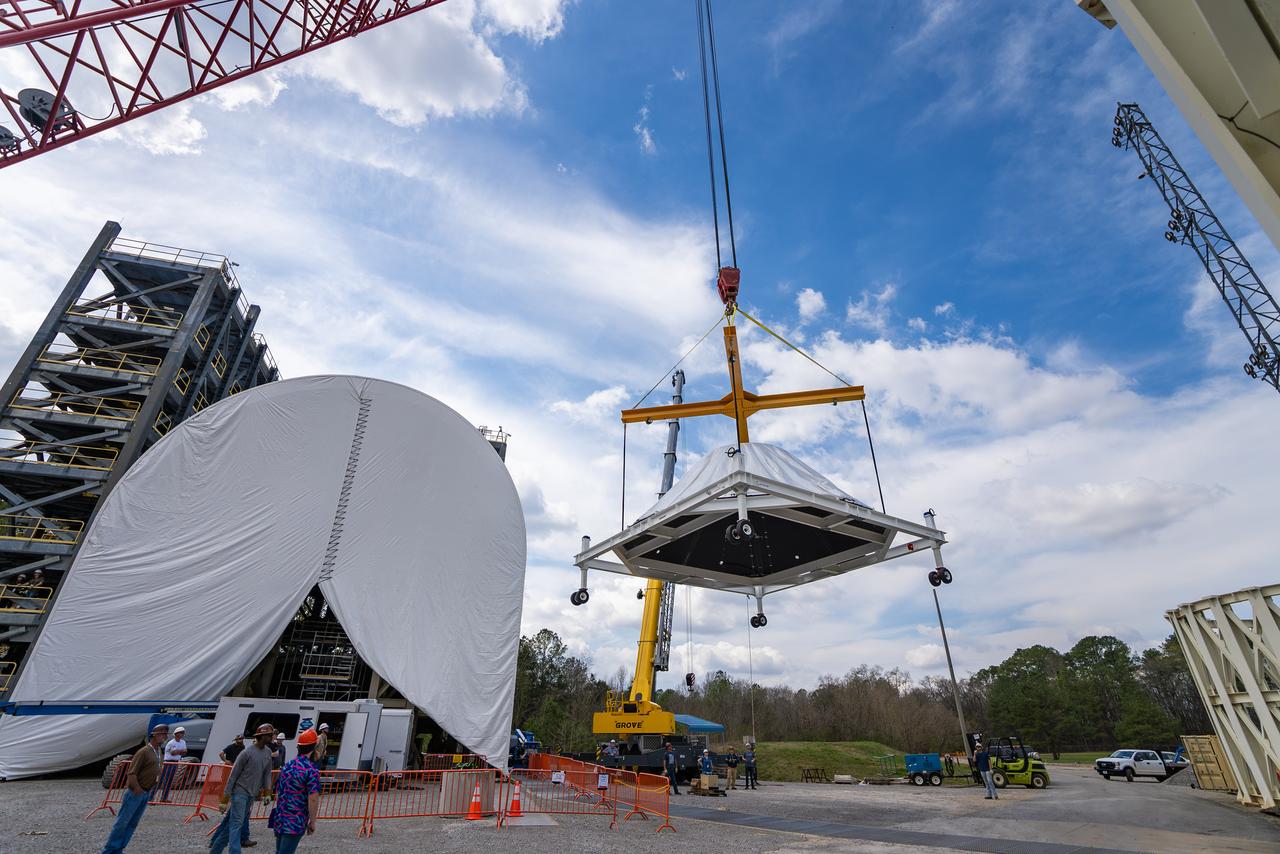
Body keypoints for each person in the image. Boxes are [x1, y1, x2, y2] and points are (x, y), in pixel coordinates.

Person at [101, 723, 167, 854]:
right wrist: (137, 789)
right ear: (154, 736)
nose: (164, 737)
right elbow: (131, 773)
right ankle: (109, 850)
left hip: (146, 792)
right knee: (122, 823)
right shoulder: (143, 752)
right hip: (137, 792)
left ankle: (119, 848)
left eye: (165, 734)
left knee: (132, 823)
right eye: (162, 734)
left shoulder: (158, 751)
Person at [210, 724, 275, 854]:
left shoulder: (268, 752)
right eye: (269, 735)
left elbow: (267, 773)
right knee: (236, 823)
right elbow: (233, 776)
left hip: (251, 794)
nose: (271, 737)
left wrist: (268, 792)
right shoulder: (246, 753)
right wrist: (225, 798)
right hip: (240, 792)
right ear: (262, 736)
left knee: (232, 824)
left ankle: (215, 849)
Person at [272, 728, 322, 853]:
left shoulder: (288, 765)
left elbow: (278, 791)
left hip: (280, 817)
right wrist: (313, 821)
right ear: (314, 746)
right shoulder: (311, 770)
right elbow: (313, 798)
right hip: (295, 821)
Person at [156, 725, 187, 802]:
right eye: (181, 733)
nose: (182, 734)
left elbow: (185, 751)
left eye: (183, 733)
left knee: (169, 781)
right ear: (176, 734)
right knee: (161, 781)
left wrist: (178, 751)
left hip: (175, 763)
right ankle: (151, 797)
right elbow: (173, 753)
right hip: (168, 763)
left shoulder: (183, 742)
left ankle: (164, 798)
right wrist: (181, 751)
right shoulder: (171, 743)